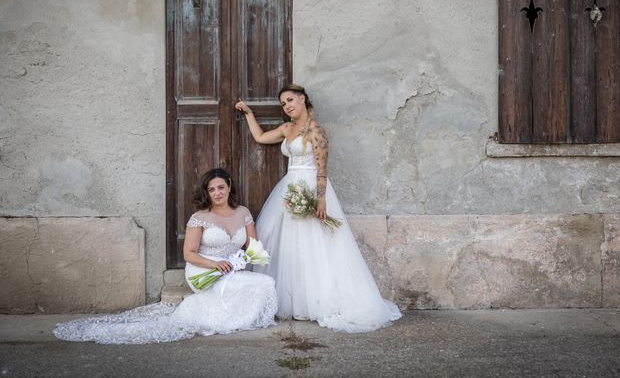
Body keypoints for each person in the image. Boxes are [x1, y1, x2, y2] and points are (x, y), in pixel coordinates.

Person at [235, 84, 401, 333]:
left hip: (311, 188)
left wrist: (320, 199)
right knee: (286, 243)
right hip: (289, 190)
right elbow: (260, 137)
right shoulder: (287, 128)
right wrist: (248, 113)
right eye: (283, 104)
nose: (287, 106)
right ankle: (289, 299)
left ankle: (318, 301)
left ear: (302, 99)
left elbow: (322, 168)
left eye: (290, 100)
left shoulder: (316, 131)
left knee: (317, 245)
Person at [53, 168, 277, 344]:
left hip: (232, 269)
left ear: (229, 187)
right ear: (207, 193)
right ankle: (212, 314)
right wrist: (215, 264)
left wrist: (244, 260)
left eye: (220, 187)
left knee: (265, 283)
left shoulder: (243, 212)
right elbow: (189, 254)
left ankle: (230, 317)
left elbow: (251, 245)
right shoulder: (200, 217)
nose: (217, 193)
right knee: (238, 288)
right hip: (203, 268)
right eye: (211, 189)